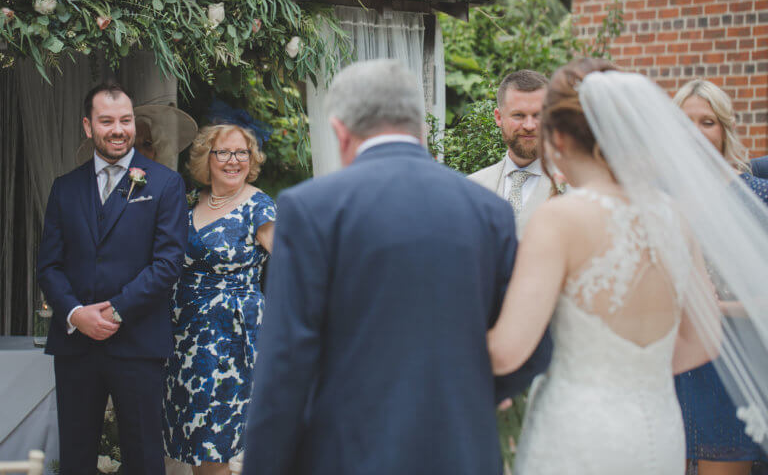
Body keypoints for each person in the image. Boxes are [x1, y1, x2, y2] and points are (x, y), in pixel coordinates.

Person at [241, 59, 551, 475]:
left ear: (340, 132)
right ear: (420, 128)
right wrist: (473, 393)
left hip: (350, 452)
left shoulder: (310, 209)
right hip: (461, 450)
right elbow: (535, 344)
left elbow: (284, 364)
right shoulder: (488, 210)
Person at [486, 58, 741, 474]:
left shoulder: (561, 218)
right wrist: (637, 372)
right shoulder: (674, 217)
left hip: (579, 428)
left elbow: (509, 349)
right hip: (657, 428)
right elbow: (706, 338)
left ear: (560, 137)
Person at [37, 82, 188, 475]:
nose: (118, 129)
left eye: (125, 120)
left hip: (138, 342)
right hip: (76, 348)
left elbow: (168, 263)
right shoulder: (64, 188)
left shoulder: (165, 184)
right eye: (107, 121)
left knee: (143, 456)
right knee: (76, 455)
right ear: (89, 127)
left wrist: (116, 311)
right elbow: (49, 265)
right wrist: (74, 314)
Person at [163, 123, 276, 475]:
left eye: (241, 152)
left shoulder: (259, 206)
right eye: (224, 152)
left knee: (218, 447)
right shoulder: (188, 204)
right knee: (199, 449)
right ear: (205, 158)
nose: (233, 160)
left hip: (231, 340)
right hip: (186, 340)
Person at [672, 79, 768, 475]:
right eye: (686, 122)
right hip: (666, 365)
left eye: (707, 121)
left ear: (725, 129)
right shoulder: (652, 196)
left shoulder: (757, 197)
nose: (696, 132)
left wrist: (715, 306)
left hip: (731, 371)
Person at [468, 70, 556, 236]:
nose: (529, 126)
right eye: (518, 115)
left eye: (538, 115)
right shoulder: (472, 186)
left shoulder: (574, 187)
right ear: (499, 117)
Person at [76, 104, 198, 171]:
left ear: (157, 151)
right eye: (131, 146)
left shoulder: (166, 189)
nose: (140, 153)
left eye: (147, 144)